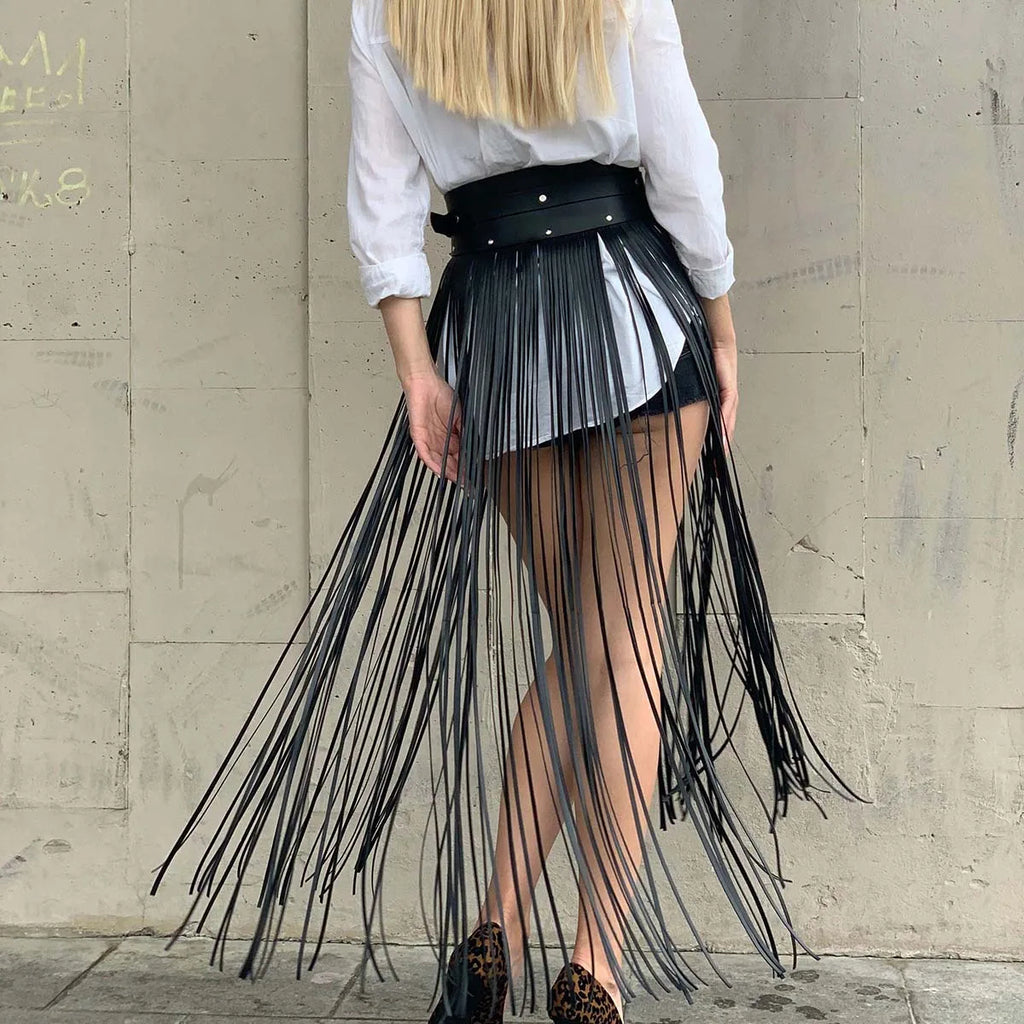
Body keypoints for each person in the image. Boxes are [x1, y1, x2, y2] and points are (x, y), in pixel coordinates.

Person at [148, 1, 869, 1022]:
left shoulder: (384, 6)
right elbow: (683, 165)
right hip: (631, 309)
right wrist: (721, 322)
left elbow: (383, 203)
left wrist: (418, 374)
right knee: (623, 644)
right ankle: (593, 971)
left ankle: (492, 936)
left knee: (579, 642)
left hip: (496, 335)